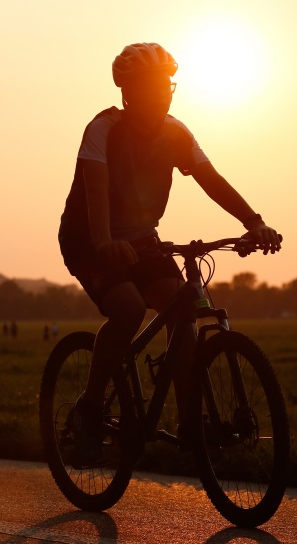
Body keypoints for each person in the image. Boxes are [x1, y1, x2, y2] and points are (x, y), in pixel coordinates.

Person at [57, 43, 282, 462]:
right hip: (88, 236)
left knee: (182, 310)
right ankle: (89, 410)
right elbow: (96, 191)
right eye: (151, 86)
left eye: (167, 85)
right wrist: (105, 241)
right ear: (128, 91)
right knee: (126, 309)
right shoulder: (104, 129)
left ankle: (189, 423)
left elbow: (211, 179)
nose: (162, 94)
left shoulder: (175, 132)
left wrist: (253, 222)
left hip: (142, 237)